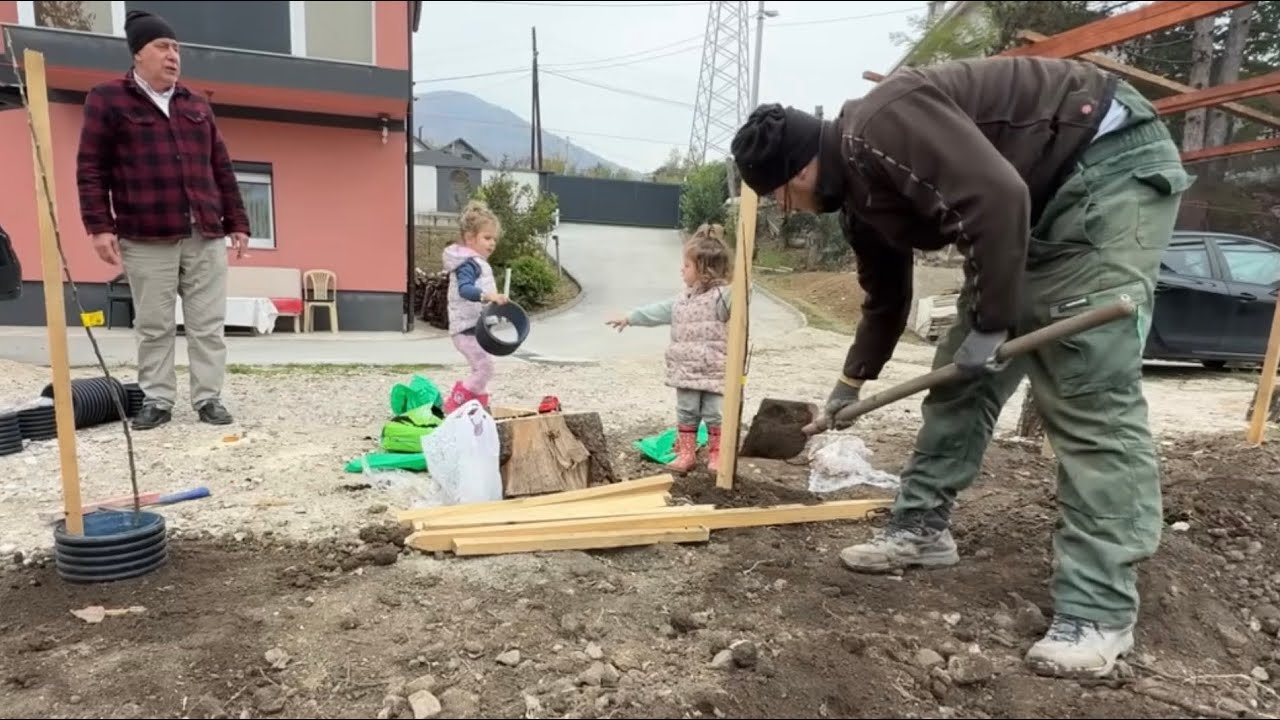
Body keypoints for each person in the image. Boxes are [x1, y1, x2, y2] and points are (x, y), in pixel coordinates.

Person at [730, 56, 1194, 679]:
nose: (786, 208)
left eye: (780, 195)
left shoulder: (878, 122)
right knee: (958, 378)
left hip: (1103, 163)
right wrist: (848, 384)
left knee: (1087, 392)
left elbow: (996, 195)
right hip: (1025, 206)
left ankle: (1099, 609)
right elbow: (886, 299)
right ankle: (921, 529)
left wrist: (997, 322)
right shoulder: (860, 200)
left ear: (800, 169)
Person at [76, 10, 250, 430]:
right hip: (146, 233)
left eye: (176, 49)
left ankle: (209, 399)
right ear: (138, 53)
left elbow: (221, 167)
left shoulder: (197, 105)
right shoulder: (107, 99)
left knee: (207, 324)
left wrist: (239, 222)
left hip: (204, 232)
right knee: (154, 325)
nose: (173, 56)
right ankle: (157, 399)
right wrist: (99, 226)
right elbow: (91, 167)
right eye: (163, 47)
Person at [607, 224, 733, 472]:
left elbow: (739, 295)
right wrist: (630, 317)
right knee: (686, 412)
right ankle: (686, 454)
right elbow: (657, 312)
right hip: (685, 371)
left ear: (704, 270)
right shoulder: (682, 300)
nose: (681, 270)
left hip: (714, 370)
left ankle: (717, 456)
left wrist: (743, 282)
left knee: (715, 414)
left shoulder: (721, 298)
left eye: (687, 266)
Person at [442, 199, 508, 414]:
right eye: (487, 238)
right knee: (485, 367)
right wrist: (488, 295)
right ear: (470, 238)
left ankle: (477, 405)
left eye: (494, 239)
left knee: (482, 365)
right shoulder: (467, 264)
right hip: (465, 329)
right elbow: (465, 290)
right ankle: (457, 400)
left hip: (474, 327)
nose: (492, 243)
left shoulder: (477, 263)